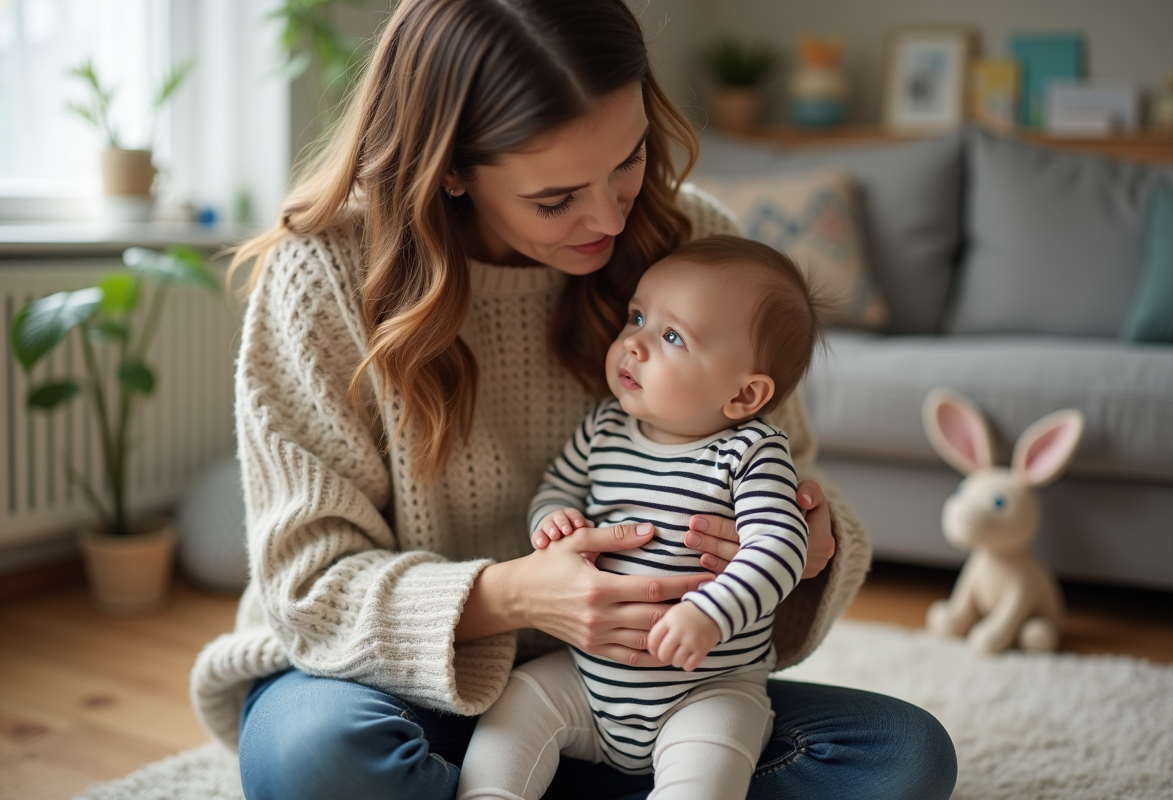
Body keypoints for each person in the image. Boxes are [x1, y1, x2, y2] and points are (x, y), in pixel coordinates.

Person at [189, 1, 958, 799]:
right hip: (394, 684)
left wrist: (807, 542)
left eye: (629, 159)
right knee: (317, 758)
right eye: (555, 199)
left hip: (646, 685)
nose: (609, 216)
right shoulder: (324, 273)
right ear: (450, 169)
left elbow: (785, 470)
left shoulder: (691, 241)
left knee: (903, 755)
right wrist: (517, 594)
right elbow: (308, 589)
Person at [456, 235, 826, 800]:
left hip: (706, 688)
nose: (634, 343)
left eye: (671, 336)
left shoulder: (751, 452)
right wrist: (552, 520)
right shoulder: (604, 427)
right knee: (516, 705)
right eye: (637, 317)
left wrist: (712, 613)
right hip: (586, 677)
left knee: (710, 769)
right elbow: (558, 486)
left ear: (744, 395)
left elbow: (779, 548)